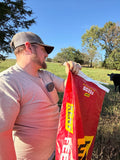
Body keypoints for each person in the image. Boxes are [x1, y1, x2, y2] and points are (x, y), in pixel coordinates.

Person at [0, 32, 81, 160]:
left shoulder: (46, 75)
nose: (47, 54)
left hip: (53, 153)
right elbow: (2, 134)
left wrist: (72, 73)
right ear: (28, 47)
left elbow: (68, 88)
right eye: (43, 49)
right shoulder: (7, 82)